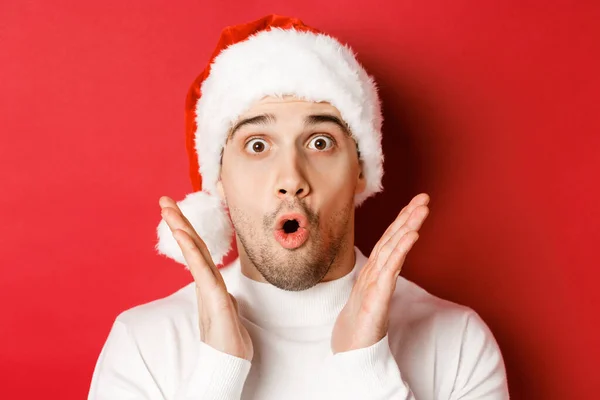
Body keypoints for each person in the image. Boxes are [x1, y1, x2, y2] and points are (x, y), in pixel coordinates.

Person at [88, 14, 509, 400]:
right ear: (219, 180)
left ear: (361, 170)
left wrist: (367, 368)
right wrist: (218, 373)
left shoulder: (456, 342)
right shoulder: (144, 344)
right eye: (257, 146)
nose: (291, 179)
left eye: (320, 143)